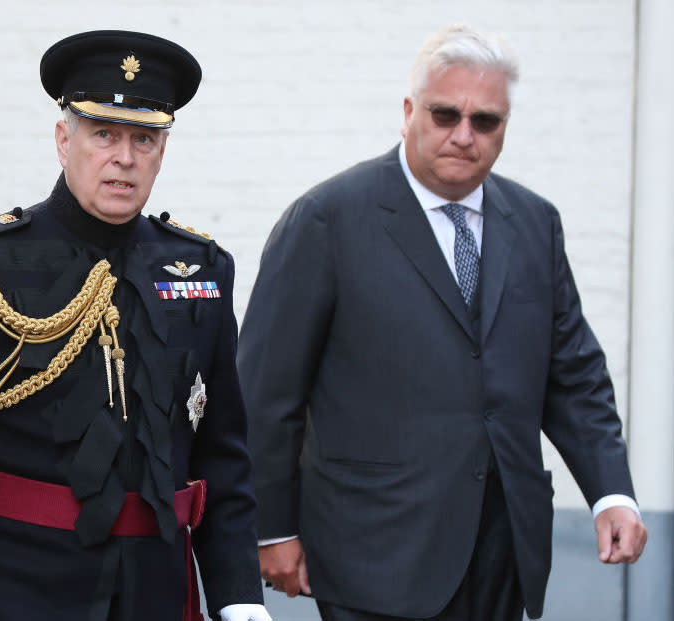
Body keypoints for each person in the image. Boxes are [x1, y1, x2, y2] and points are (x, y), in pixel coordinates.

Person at [0, 30, 271, 621]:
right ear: (63, 139)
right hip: (11, 582)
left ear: (162, 151)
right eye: (104, 134)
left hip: (155, 586)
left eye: (144, 139)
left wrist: (238, 596)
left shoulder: (200, 268)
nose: (123, 158)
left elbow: (222, 451)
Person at [237, 24, 647, 621]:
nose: (463, 135)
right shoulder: (327, 220)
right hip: (375, 552)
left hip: (504, 550)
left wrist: (612, 493)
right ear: (408, 112)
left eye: (485, 121)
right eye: (445, 114)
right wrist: (269, 527)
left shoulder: (534, 223)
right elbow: (266, 390)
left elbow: (574, 375)